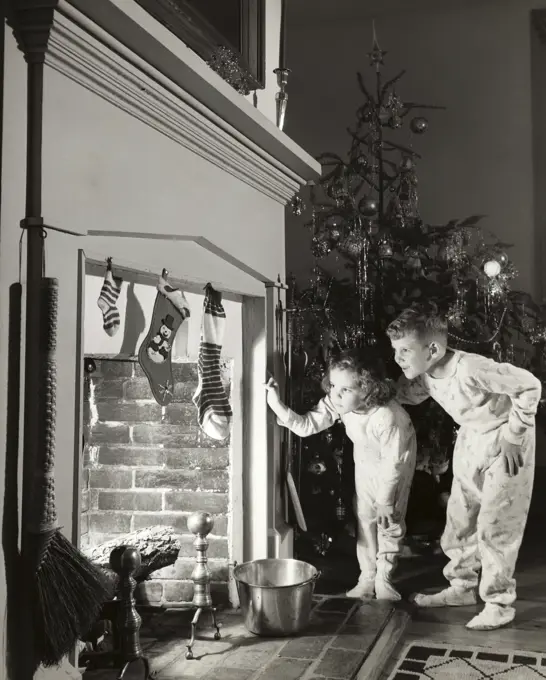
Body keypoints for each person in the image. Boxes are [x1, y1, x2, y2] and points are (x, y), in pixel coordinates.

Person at [387, 305, 542, 630]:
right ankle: (461, 586)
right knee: (461, 516)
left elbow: (530, 386)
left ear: (433, 349)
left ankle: (499, 603)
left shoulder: (471, 368)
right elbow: (405, 394)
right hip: (472, 437)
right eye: (395, 350)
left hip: (507, 438)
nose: (399, 358)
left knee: (496, 522)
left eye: (404, 350)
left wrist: (514, 435)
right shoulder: (426, 375)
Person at [265, 349, 416, 601]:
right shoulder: (341, 403)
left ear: (368, 389)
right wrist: (275, 404)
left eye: (345, 389)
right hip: (366, 460)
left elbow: (394, 463)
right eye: (333, 385)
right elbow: (306, 425)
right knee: (364, 516)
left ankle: (385, 578)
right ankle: (367, 577)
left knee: (389, 520)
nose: (335, 394)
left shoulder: (388, 416)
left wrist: (386, 499)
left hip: (396, 464)